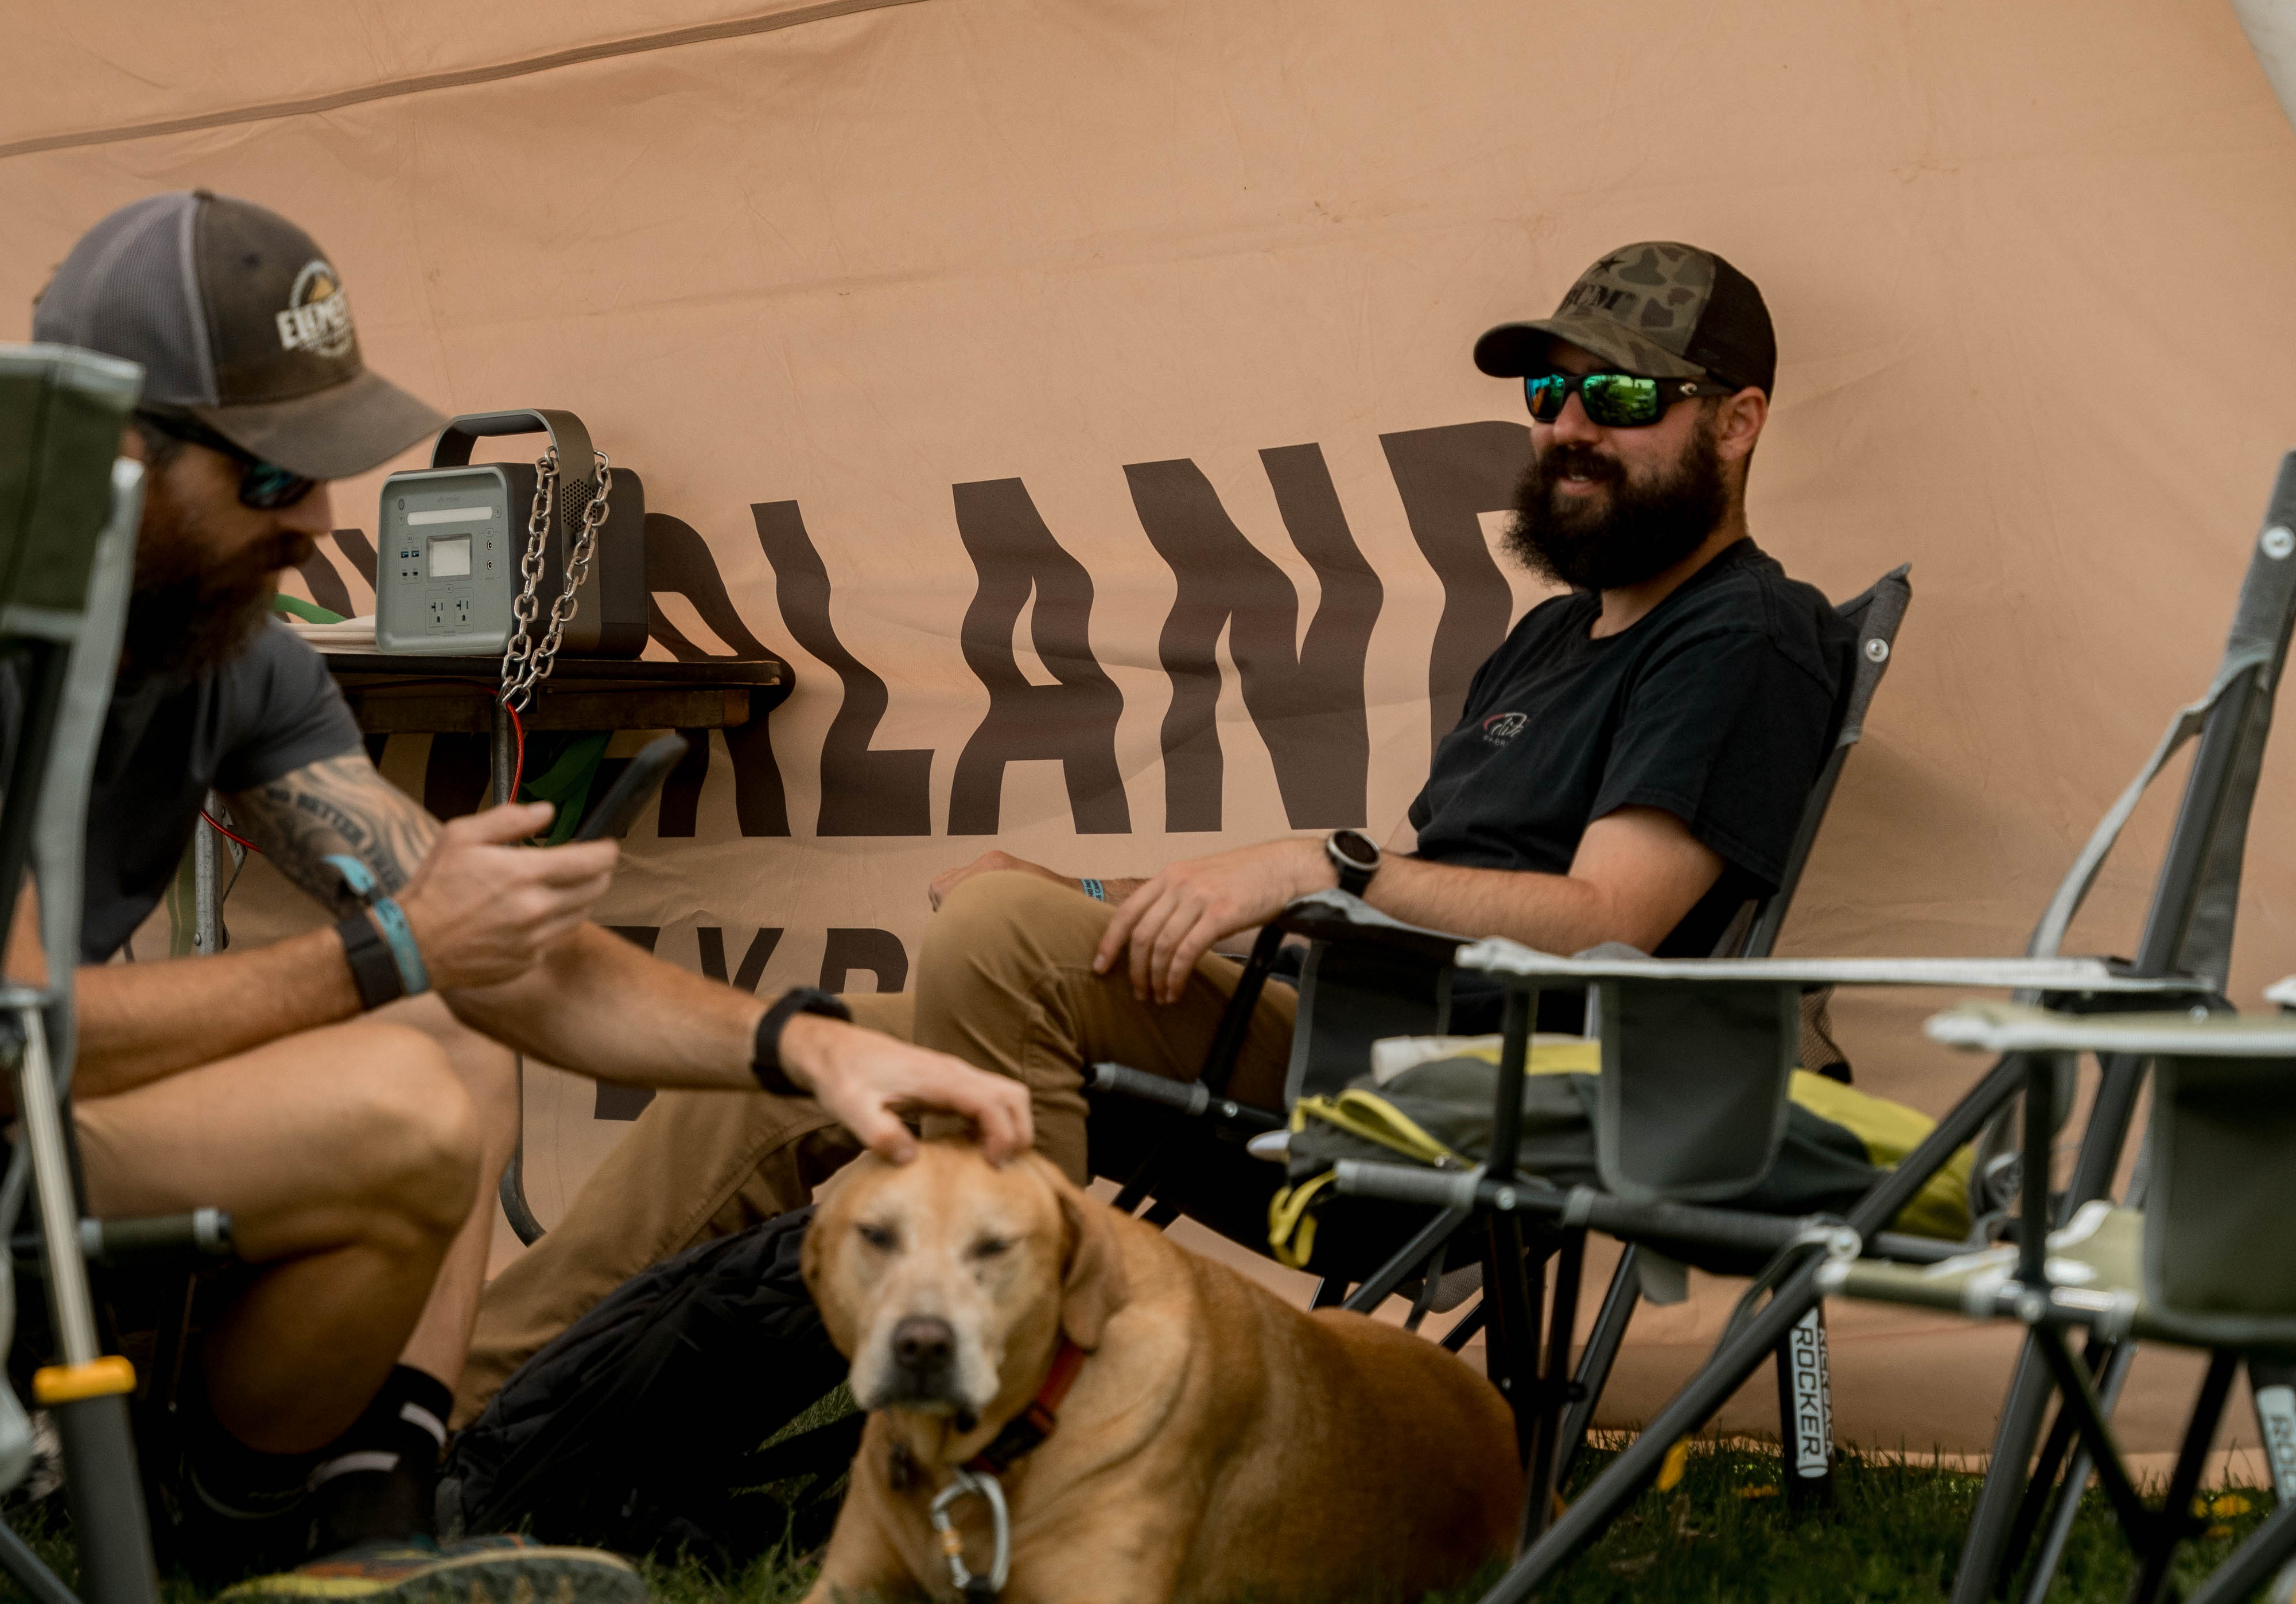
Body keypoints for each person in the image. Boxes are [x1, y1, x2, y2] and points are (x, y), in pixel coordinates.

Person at [0, 187, 1029, 1602]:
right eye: (275, 478)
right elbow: (2, 1037)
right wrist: (395, 948)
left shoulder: (234, 653)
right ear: (115, 446)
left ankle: (371, 1520)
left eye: (326, 471)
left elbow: (514, 960)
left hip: (27, 1121)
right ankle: (239, 1528)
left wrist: (808, 1049)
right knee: (408, 1081)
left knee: (455, 1029)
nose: (319, 520)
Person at [456, 236, 1846, 1416]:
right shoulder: (1548, 641)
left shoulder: (1740, 635)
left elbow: (1606, 923)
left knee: (1000, 943)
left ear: (1735, 423)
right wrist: (1087, 893)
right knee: (809, 1055)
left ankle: (1027, 1435)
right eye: (1549, 392)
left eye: (1621, 394)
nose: (1569, 425)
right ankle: (456, 1416)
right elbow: (1398, 893)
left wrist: (1317, 861)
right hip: (1346, 1027)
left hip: (1457, 1103)